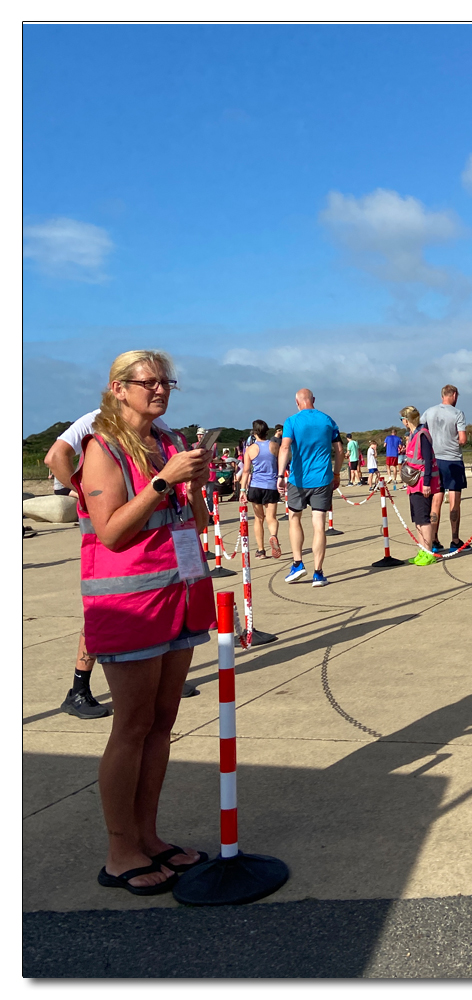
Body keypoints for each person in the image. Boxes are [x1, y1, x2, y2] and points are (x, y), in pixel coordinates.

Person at [76, 350, 214, 893]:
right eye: (147, 382)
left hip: (178, 594)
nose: (159, 390)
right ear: (118, 387)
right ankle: (120, 849)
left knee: (162, 722)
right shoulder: (102, 447)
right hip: (130, 603)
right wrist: (162, 481)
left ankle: (150, 837)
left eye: (166, 382)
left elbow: (195, 521)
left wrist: (194, 486)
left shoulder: (173, 442)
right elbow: (109, 533)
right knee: (131, 725)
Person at [45, 406, 176, 720]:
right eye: (147, 382)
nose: (158, 390)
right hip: (116, 534)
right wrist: (86, 493)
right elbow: (55, 456)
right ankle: (79, 687)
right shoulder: (94, 420)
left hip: (153, 543)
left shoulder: (156, 425)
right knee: (102, 610)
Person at [277, 388, 344, 587]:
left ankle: (298, 563)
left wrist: (280, 475)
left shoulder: (291, 421)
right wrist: (337, 473)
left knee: (294, 518)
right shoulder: (327, 420)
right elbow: (339, 449)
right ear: (313, 400)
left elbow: (285, 447)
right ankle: (318, 572)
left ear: (297, 402)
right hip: (323, 478)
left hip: (298, 479)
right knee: (319, 524)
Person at [421, 385, 468, 553]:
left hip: (434, 460)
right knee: (454, 501)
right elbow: (462, 439)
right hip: (452, 460)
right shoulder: (457, 414)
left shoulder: (428, 412)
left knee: (436, 501)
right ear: (454, 395)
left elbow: (421, 433)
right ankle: (455, 539)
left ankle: (434, 539)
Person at [399, 405, 441, 566]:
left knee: (424, 519)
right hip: (413, 482)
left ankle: (429, 551)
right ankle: (422, 549)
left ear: (407, 420)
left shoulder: (422, 435)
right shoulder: (412, 435)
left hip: (422, 482)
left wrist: (427, 482)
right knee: (417, 518)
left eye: (403, 418)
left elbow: (428, 461)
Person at [239, 419, 282, 560]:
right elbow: (282, 463)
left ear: (254, 432)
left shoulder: (250, 449)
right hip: (271, 485)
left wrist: (242, 490)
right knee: (271, 517)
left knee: (258, 518)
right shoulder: (274, 446)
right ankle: (274, 536)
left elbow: (246, 471)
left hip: (256, 486)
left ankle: (260, 550)